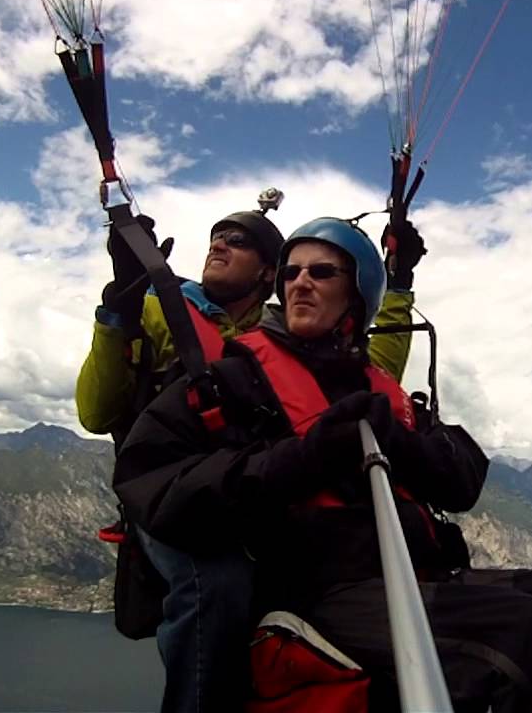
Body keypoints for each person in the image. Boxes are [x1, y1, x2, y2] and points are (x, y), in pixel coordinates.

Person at [116, 217, 532, 712]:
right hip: (320, 587)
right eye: (291, 272)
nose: (300, 283)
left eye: (321, 272)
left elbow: (463, 481)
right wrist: (303, 457)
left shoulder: (379, 390)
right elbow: (150, 478)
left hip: (411, 573)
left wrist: (398, 441)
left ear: (357, 293)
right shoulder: (234, 380)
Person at [76, 203, 425, 713]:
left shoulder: (283, 336)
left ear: (267, 274)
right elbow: (95, 411)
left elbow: (369, 376)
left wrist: (398, 285)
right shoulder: (160, 310)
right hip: (172, 492)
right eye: (216, 236)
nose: (217, 245)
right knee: (215, 582)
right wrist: (119, 311)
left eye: (237, 241)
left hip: (251, 490)